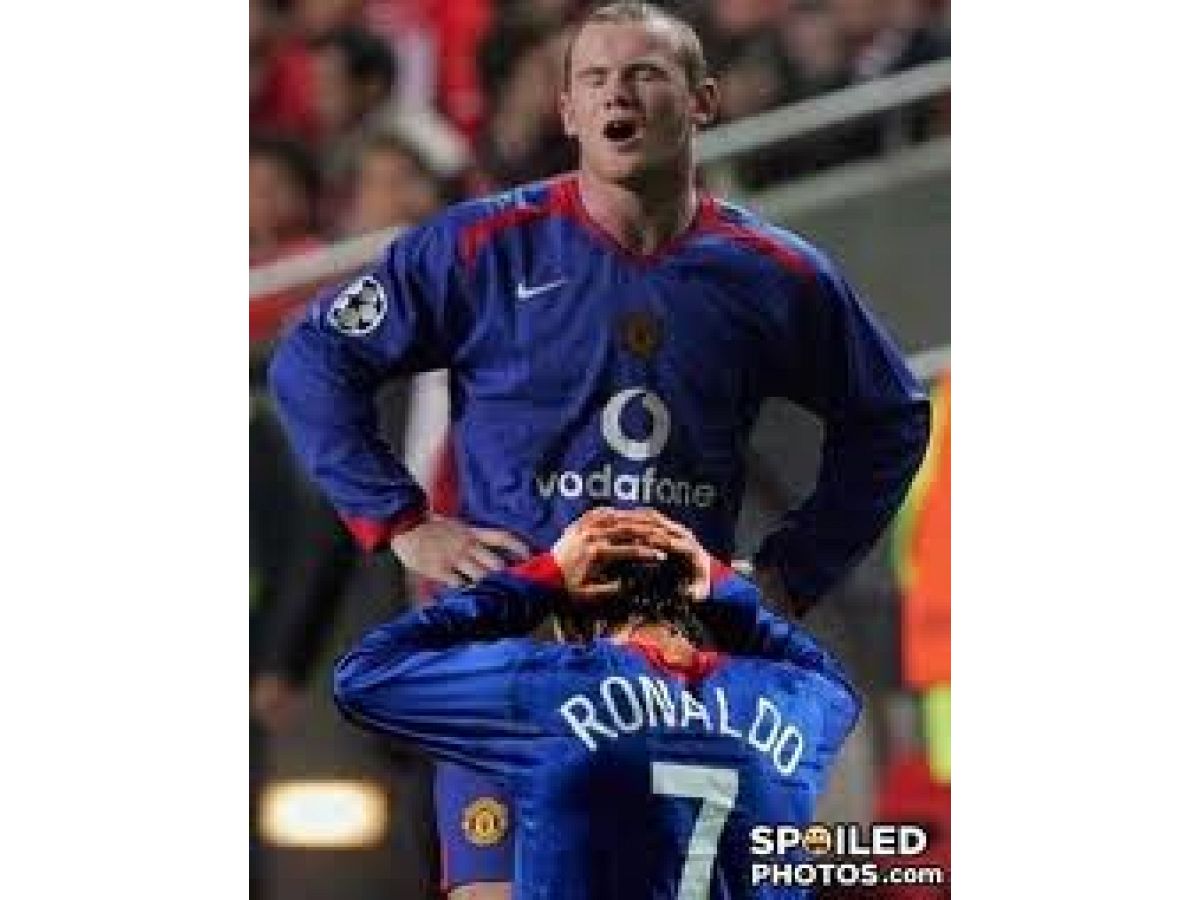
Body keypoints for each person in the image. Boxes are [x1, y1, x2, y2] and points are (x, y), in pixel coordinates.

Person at [269, 3, 929, 896]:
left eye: (645, 74)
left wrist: (791, 570)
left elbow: (891, 417)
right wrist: (403, 522)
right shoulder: (479, 248)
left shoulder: (773, 273)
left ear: (702, 102)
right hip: (519, 648)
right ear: (569, 111)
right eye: (595, 78)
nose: (618, 93)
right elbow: (313, 359)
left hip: (683, 661)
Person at [334, 507, 861, 899]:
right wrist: (727, 591)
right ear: (692, 604)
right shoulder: (792, 703)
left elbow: (363, 676)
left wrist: (538, 579)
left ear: (569, 622)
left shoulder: (552, 691)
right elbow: (838, 689)